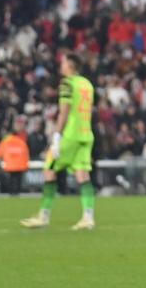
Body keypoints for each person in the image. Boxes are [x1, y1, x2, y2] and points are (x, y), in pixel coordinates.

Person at [20, 53, 98, 230]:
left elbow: (64, 112)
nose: (60, 65)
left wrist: (56, 137)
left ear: (70, 65)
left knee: (48, 168)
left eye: (62, 62)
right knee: (82, 175)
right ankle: (88, 218)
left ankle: (43, 216)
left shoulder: (67, 83)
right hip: (86, 134)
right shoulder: (87, 83)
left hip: (70, 135)